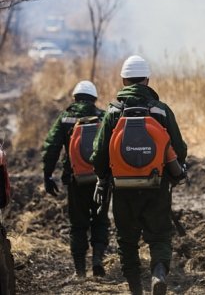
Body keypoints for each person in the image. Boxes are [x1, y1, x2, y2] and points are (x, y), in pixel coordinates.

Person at [90, 55, 187, 295]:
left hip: (122, 187)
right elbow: (179, 148)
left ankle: (135, 289)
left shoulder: (113, 112)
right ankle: (158, 275)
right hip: (157, 185)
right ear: (147, 80)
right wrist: (174, 172)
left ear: (124, 80)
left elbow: (99, 152)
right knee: (160, 236)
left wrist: (103, 178)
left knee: (127, 241)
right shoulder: (161, 110)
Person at [42, 80, 109, 278]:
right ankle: (97, 260)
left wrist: (48, 175)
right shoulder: (103, 117)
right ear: (94, 99)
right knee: (100, 220)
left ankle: (80, 271)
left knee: (78, 224)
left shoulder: (65, 118)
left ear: (75, 98)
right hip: (100, 180)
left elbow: (51, 148)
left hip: (75, 179)